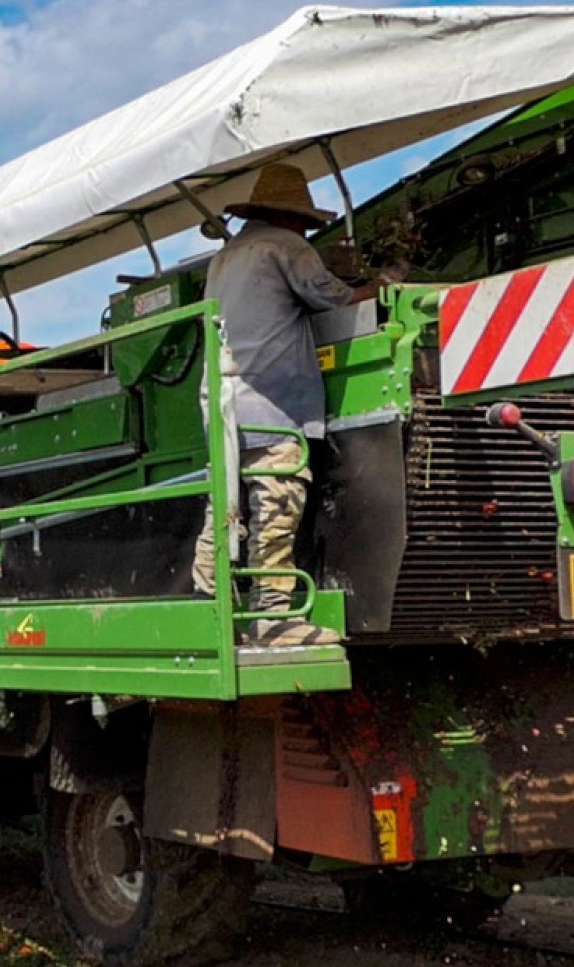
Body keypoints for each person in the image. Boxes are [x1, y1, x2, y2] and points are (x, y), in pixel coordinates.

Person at [192, 163, 398, 648]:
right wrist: (387, 280)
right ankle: (273, 618)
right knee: (276, 505)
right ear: (292, 218)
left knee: (224, 507)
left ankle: (207, 607)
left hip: (223, 404)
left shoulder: (225, 258)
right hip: (272, 404)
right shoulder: (288, 248)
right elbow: (337, 299)